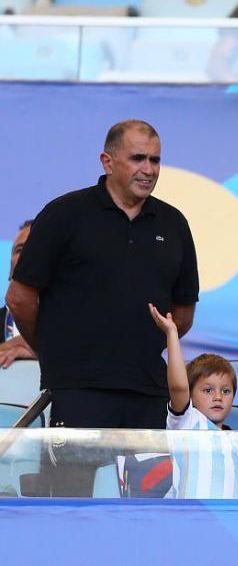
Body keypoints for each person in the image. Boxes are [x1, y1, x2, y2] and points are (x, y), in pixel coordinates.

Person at [6, 120, 199, 431]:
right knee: (69, 481)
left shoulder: (174, 224)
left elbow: (183, 314)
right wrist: (51, 351)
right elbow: (19, 297)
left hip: (149, 389)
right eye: (138, 158)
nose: (148, 169)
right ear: (107, 162)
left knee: (149, 482)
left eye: (155, 160)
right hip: (76, 389)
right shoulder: (64, 214)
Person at [150, 304, 238, 499]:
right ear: (190, 395)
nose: (218, 396)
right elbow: (178, 387)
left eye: (226, 391)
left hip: (223, 525)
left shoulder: (235, 440)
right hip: (188, 523)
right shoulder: (188, 422)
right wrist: (172, 333)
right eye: (208, 390)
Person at [0, 220, 36, 368]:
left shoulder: (85, 320)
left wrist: (39, 350)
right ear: (10, 271)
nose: (27, 256)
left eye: (35, 248)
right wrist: (12, 344)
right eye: (20, 250)